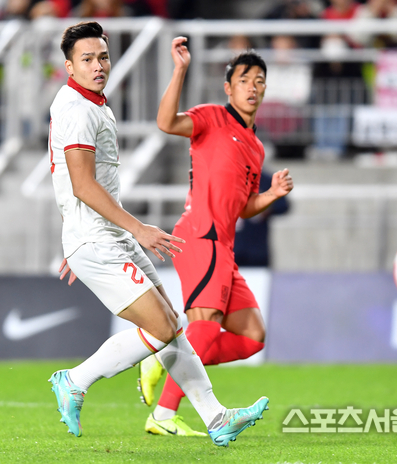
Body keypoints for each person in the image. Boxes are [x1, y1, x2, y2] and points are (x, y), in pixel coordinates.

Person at [48, 21, 268, 447]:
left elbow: (70, 181)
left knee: (173, 325)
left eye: (103, 57)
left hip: (102, 236)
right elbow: (82, 184)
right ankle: (75, 380)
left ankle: (216, 417)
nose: (98, 65)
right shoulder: (78, 110)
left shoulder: (93, 103)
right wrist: (130, 229)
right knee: (163, 327)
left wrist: (75, 233)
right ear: (69, 67)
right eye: (87, 59)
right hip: (101, 239)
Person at [138, 37, 293, 437]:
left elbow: (244, 207)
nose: (253, 87)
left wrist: (271, 195)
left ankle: (165, 357)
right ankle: (164, 414)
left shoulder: (256, 147)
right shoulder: (211, 118)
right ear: (228, 88)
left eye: (259, 81)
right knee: (205, 325)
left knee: (253, 336)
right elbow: (166, 122)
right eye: (244, 80)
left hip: (223, 245)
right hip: (200, 235)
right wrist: (180, 70)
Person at [233, 170, 290, 267]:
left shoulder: (265, 179)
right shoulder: (227, 178)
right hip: (232, 246)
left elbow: (283, 205)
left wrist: (266, 208)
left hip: (257, 246)